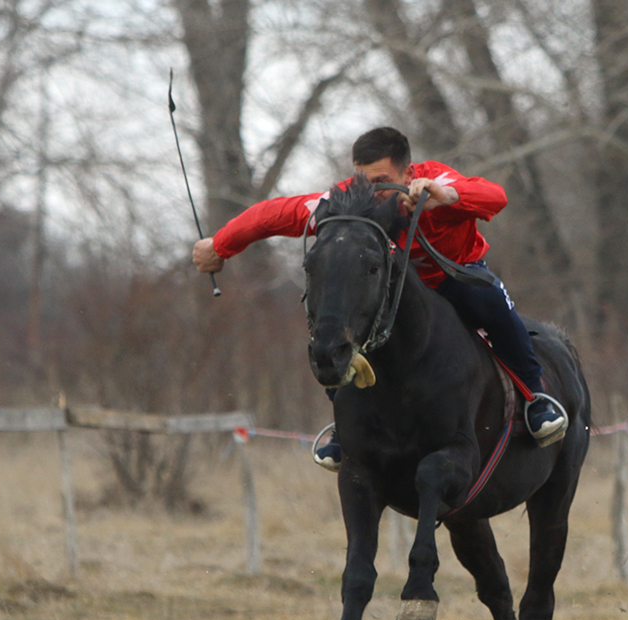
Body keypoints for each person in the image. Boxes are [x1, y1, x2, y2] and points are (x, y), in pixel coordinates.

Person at [192, 127, 566, 470]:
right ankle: (345, 425)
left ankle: (536, 399)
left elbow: (494, 197)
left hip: (455, 277)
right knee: (339, 324)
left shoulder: (437, 179)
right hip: (398, 296)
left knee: (491, 304)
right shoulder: (349, 199)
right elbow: (272, 214)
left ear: (407, 174)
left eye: (383, 181)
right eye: (364, 180)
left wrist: (445, 197)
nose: (373, 191)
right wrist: (220, 246)